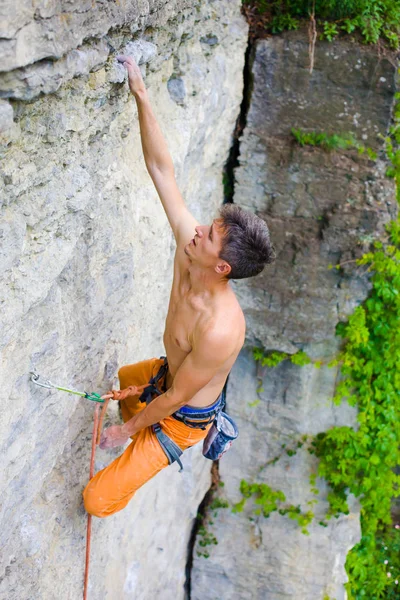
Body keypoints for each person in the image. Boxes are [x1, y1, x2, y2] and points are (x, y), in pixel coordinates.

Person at [83, 55, 276, 517]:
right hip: (164, 376)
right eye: (208, 226)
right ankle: (134, 424)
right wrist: (142, 95)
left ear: (223, 267)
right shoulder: (192, 252)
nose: (196, 232)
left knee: (95, 500)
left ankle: (138, 454)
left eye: (209, 236)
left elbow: (176, 397)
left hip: (182, 417)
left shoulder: (221, 330)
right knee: (123, 385)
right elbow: (162, 171)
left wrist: (124, 435)